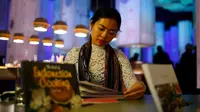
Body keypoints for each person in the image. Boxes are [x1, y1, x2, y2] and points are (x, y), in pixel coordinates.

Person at [64, 8, 145, 99]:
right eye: (101, 28)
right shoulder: (74, 53)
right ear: (91, 24)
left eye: (111, 32)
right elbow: (65, 84)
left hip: (111, 106)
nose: (104, 35)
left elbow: (132, 84)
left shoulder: (119, 56)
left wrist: (138, 88)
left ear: (115, 34)